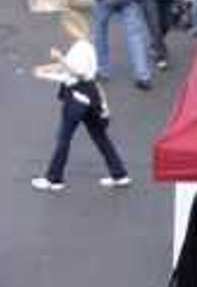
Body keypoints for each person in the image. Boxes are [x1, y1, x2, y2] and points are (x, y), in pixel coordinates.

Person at [33, 12, 130, 189]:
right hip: (90, 97)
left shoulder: (80, 48)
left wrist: (56, 62)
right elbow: (76, 71)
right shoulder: (86, 46)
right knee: (100, 136)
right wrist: (46, 69)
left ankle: (53, 178)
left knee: (64, 138)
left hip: (76, 99)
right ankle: (119, 173)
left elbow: (75, 73)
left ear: (72, 28)